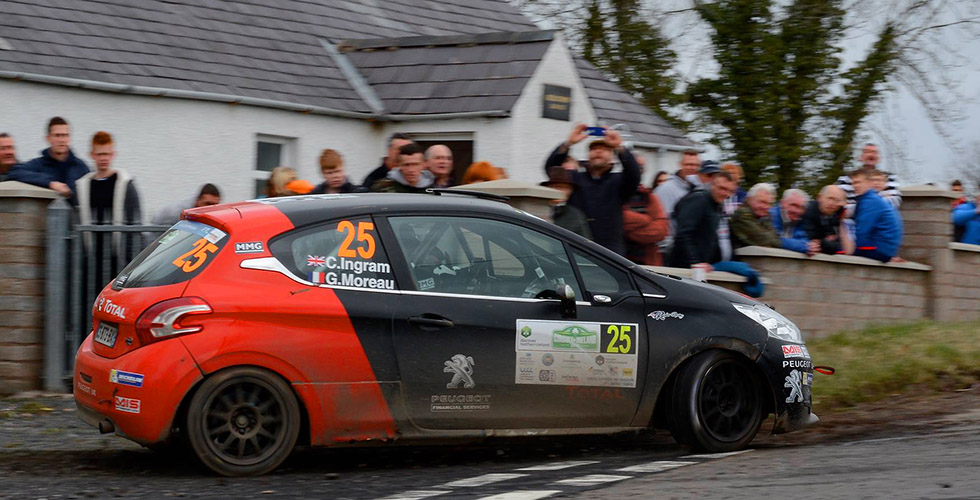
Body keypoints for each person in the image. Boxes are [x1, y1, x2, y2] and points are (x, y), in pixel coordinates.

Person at [543, 124, 640, 255]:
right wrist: (568, 143)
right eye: (594, 148)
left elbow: (634, 174)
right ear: (588, 156)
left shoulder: (619, 181)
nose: (598, 151)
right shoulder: (575, 178)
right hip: (576, 247)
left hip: (610, 251)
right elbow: (552, 169)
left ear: (612, 157)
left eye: (604, 149)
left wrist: (620, 146)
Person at [7, 117, 90, 203]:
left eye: (65, 135)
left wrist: (71, 194)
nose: (61, 140)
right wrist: (50, 183)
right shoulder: (38, 165)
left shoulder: (80, 167)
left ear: (69, 138)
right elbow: (14, 172)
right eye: (57, 135)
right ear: (48, 138)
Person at [669, 171, 736, 268]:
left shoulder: (717, 205)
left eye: (728, 190)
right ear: (712, 185)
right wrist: (695, 262)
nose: (724, 193)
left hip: (707, 266)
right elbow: (684, 233)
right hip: (688, 267)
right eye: (721, 188)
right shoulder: (699, 200)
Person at [75, 132, 142, 226]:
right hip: (90, 239)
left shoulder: (126, 185)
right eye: (99, 154)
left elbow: (135, 220)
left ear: (113, 155)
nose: (103, 158)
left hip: (119, 239)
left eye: (106, 154)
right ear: (92, 155)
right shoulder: (82, 188)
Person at [849, 169, 903, 262]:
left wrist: (850, 249)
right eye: (853, 183)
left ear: (869, 183)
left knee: (837, 250)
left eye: (858, 182)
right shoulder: (874, 199)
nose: (855, 186)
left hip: (879, 250)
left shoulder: (870, 201)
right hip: (885, 250)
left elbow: (861, 232)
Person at [836, 143, 901, 212]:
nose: (871, 155)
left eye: (874, 152)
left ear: (879, 158)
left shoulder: (889, 178)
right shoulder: (846, 179)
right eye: (867, 152)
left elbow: (894, 202)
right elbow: (838, 203)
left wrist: (855, 205)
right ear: (860, 157)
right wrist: (881, 199)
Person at [623, 181, 668, 266]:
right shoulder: (613, 197)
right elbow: (618, 220)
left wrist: (627, 232)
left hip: (648, 263)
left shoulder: (648, 197)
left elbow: (661, 231)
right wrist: (645, 220)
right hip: (620, 262)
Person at [540, 166, 592, 239]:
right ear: (547, 189)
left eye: (565, 188)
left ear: (571, 191)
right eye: (556, 187)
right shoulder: (537, 209)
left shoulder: (576, 215)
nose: (560, 191)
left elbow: (585, 242)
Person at [730, 183, 783, 250]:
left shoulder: (764, 216)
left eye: (769, 204)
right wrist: (771, 237)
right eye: (762, 202)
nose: (766, 207)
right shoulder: (742, 215)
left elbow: (777, 241)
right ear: (749, 199)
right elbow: (763, 240)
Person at [802, 185, 853, 255]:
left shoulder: (836, 215)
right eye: (829, 198)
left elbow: (848, 250)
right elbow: (813, 242)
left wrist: (842, 222)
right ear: (819, 197)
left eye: (837, 200)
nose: (832, 203)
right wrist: (826, 242)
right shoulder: (808, 211)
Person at [151, 183, 221, 226]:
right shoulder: (177, 213)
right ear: (197, 200)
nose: (211, 208)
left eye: (215, 205)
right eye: (208, 204)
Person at [769, 189, 810, 254]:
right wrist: (803, 246)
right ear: (782, 203)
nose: (797, 211)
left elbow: (807, 241)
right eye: (793, 205)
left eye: (801, 207)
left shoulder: (801, 219)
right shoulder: (770, 216)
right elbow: (773, 240)